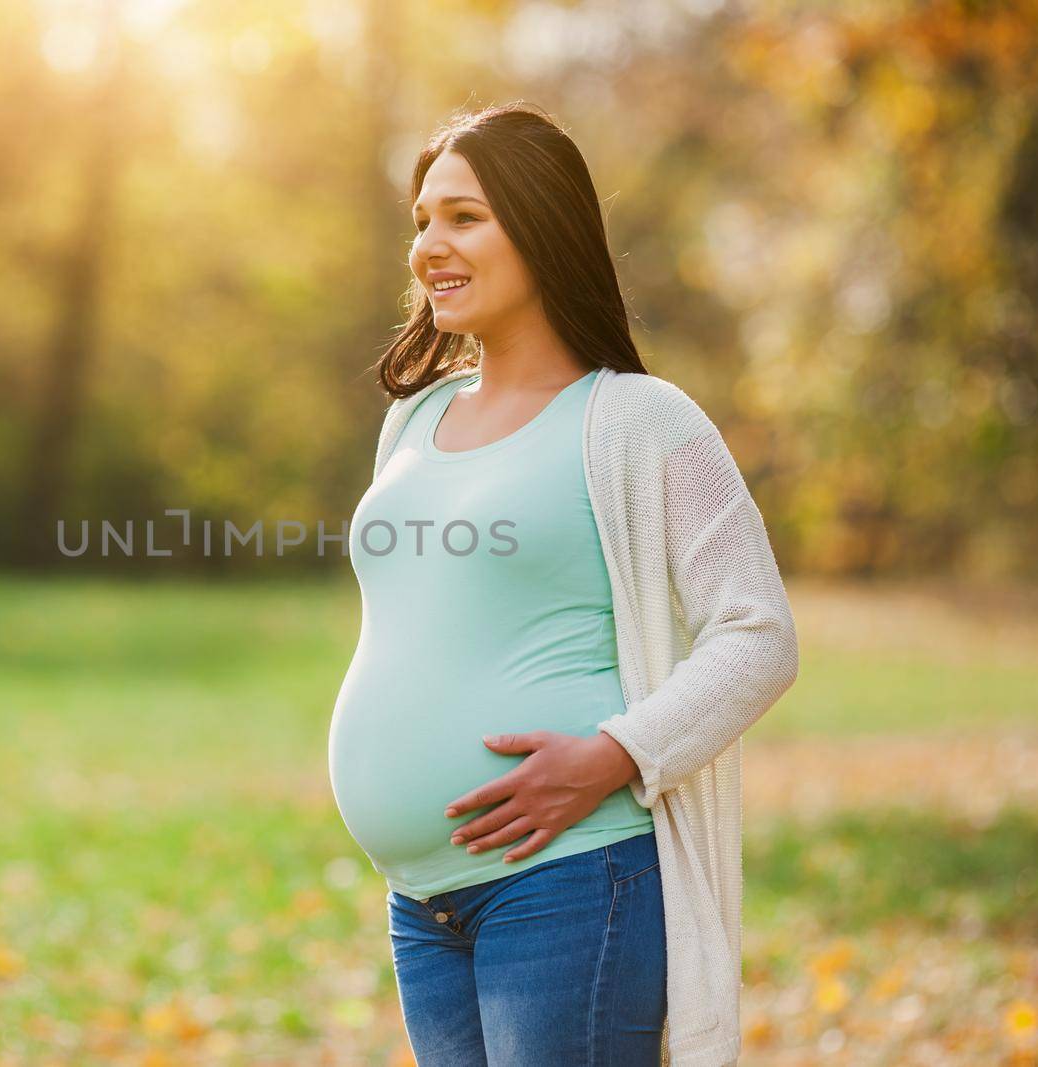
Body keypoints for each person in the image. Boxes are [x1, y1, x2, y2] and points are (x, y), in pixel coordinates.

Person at [327, 102, 799, 1067]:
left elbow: (759, 633)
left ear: (541, 228)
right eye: (421, 220)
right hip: (422, 904)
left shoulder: (638, 420)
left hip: (571, 882)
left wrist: (616, 754)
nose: (428, 246)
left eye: (463, 216)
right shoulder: (413, 423)